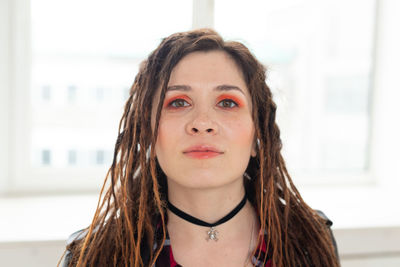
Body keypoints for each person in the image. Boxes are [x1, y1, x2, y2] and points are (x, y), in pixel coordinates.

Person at [60, 28, 339, 267]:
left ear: (257, 136)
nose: (203, 123)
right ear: (147, 133)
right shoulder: (93, 256)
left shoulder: (309, 242)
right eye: (178, 102)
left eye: (227, 102)